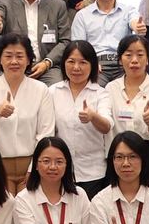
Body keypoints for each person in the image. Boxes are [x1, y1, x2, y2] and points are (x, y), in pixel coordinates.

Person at [0, 33, 56, 195]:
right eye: (8, 56)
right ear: (0, 59)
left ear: (29, 60)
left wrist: (34, 169)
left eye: (19, 56)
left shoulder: (41, 89)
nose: (14, 61)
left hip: (30, 167)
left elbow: (46, 133)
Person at [47, 41, 112, 195]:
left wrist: (93, 116)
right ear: (63, 64)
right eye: (71, 62)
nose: (76, 67)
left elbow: (107, 126)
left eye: (83, 62)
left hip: (93, 172)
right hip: (60, 171)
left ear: (93, 65)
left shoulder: (101, 93)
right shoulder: (52, 92)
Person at [103, 34, 149, 186]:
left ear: (148, 59)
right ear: (120, 59)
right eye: (128, 55)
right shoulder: (111, 88)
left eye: (140, 55)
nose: (134, 60)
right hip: (119, 155)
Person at [70, 0, 145, 83]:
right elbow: (78, 46)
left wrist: (137, 27)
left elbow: (134, 21)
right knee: (96, 88)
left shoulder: (128, 10)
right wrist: (91, 63)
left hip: (123, 64)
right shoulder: (82, 15)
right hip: (97, 65)